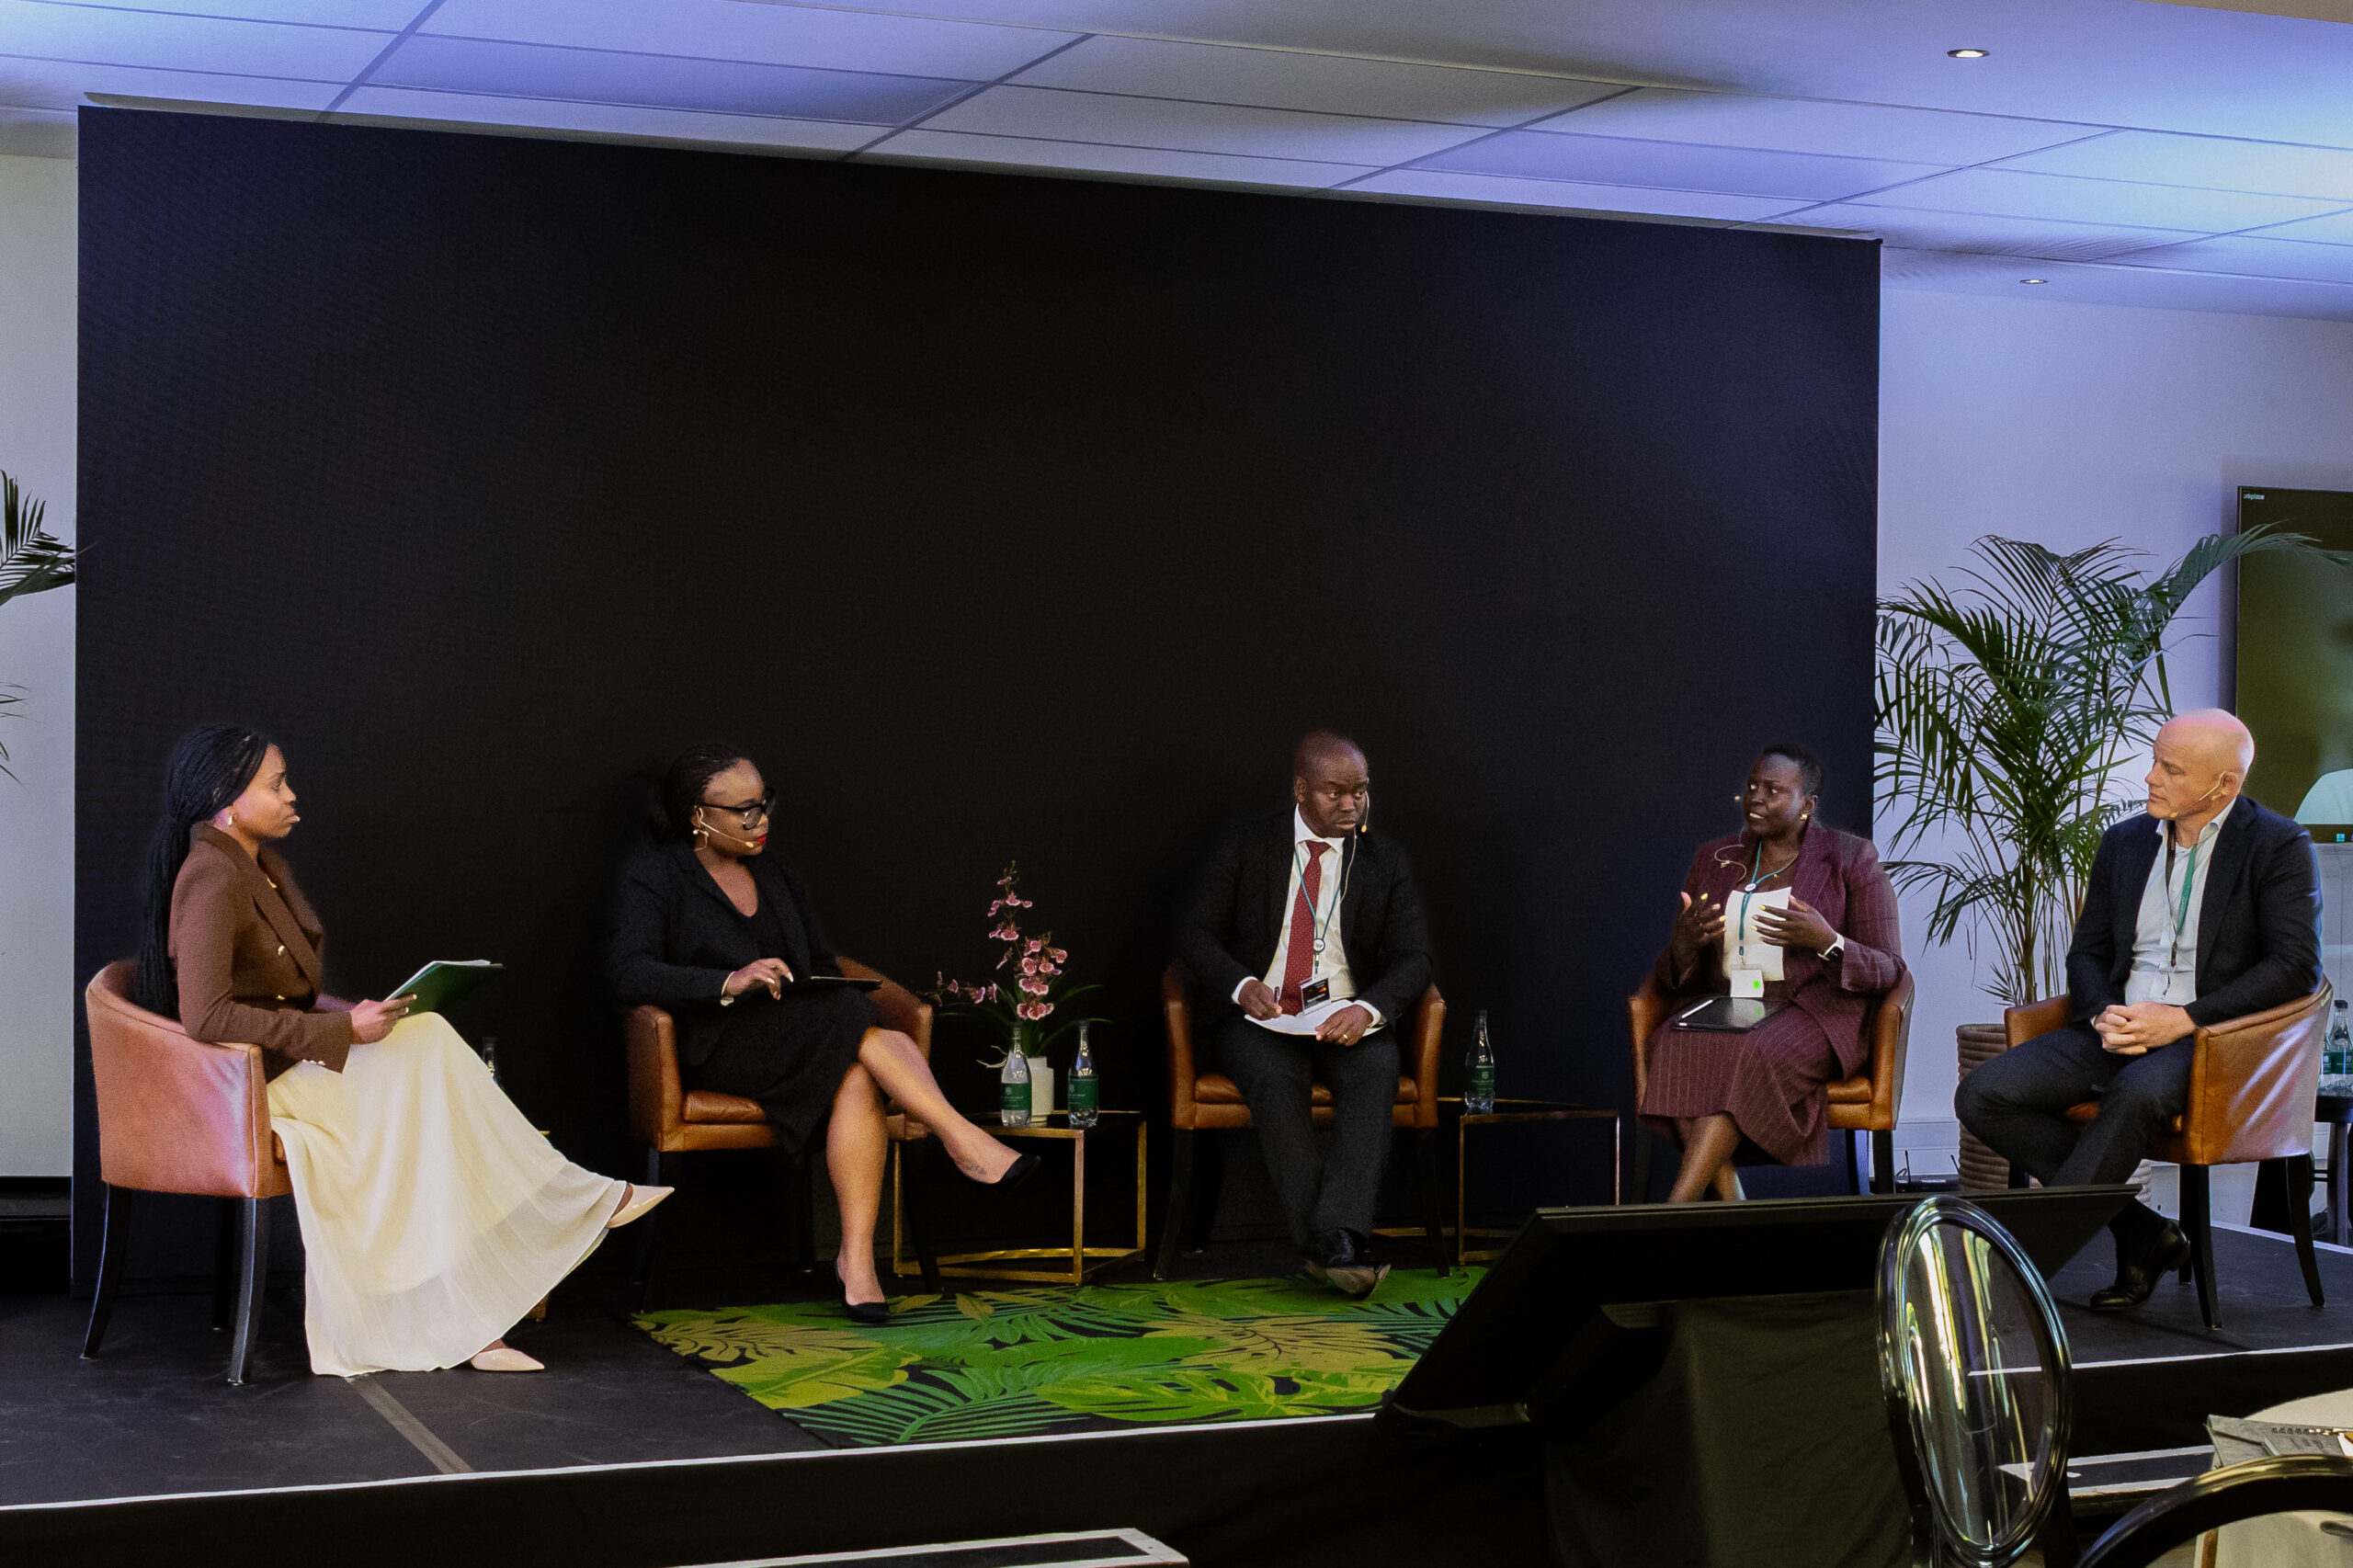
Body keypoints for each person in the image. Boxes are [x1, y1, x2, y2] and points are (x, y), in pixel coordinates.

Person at [136, 724, 666, 1378]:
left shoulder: (259, 867)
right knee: (431, 1075)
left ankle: (484, 1302)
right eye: (276, 785)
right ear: (227, 798)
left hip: (290, 1062)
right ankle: (559, 1211)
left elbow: (286, 995)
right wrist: (340, 1032)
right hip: (255, 1084)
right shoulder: (212, 875)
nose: (292, 795)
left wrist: (354, 1016)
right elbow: (206, 1015)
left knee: (427, 1048)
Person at [608, 744, 1035, 1322]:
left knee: (856, 1069)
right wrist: (729, 980)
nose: (761, 819)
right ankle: (962, 1138)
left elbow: (819, 963)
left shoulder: (776, 872)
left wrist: (813, 982)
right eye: (744, 810)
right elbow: (629, 972)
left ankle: (856, 1262)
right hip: (718, 1042)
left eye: (764, 803)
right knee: (846, 1020)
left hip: (801, 1032)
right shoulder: (657, 871)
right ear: (697, 815)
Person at [1956, 710, 2323, 1312]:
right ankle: (2143, 1233)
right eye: (2155, 760)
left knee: (2135, 1093)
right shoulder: (2124, 842)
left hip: (2206, 1039)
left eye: (2170, 769)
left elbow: (2294, 966)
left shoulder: (2277, 845)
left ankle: (2023, 1271)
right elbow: (2089, 952)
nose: (2150, 777)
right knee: (1983, 1094)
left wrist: (2184, 1019)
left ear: (2224, 785)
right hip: (2116, 1027)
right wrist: (2104, 1014)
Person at [1176, 732, 1434, 1295]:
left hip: (1342, 1013)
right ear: (1301, 789)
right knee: (1275, 1078)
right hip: (1260, 1016)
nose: (1350, 804)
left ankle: (1332, 1240)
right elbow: (1194, 934)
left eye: (1360, 791)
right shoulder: (1247, 845)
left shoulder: (1383, 861)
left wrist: (1368, 1009)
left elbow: (1415, 957)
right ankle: (1336, 1244)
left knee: (1376, 1070)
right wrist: (1241, 985)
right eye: (1334, 792)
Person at [1642, 744, 1905, 1202]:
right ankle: (1734, 1208)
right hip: (1727, 1005)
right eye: (1751, 786)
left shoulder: (1851, 858)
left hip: (1815, 1013)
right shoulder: (1714, 858)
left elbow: (1890, 968)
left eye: (1772, 790)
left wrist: (1827, 940)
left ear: (1807, 804)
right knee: (1673, 1043)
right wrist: (1684, 943)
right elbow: (1674, 973)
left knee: (1744, 1054)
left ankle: (1674, 1208)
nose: (1756, 798)